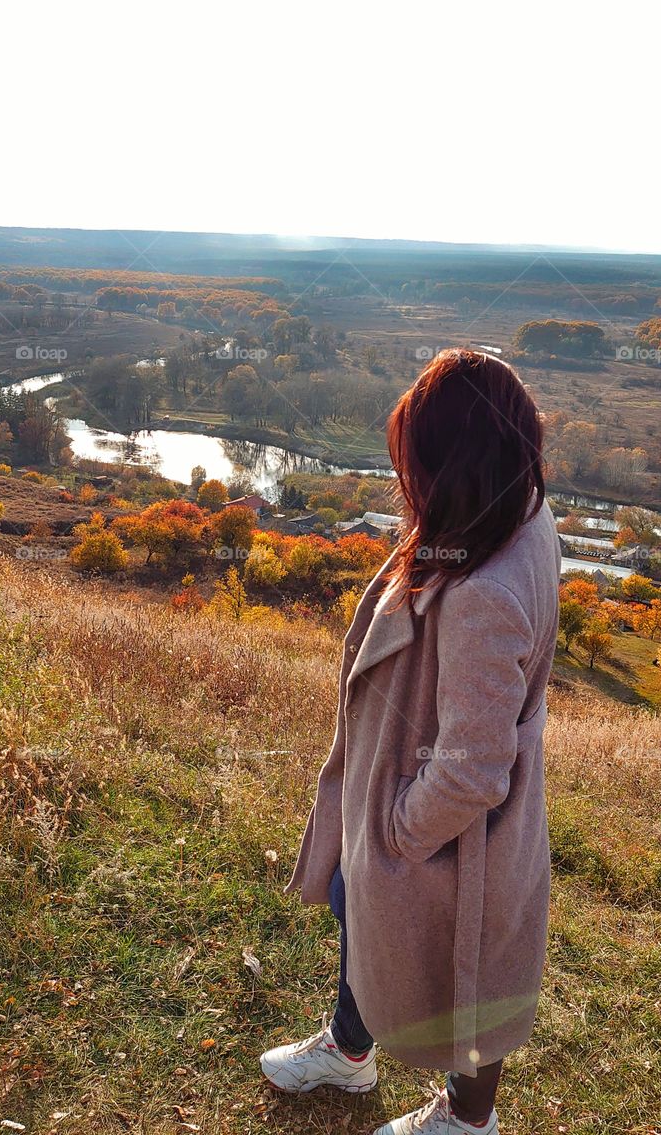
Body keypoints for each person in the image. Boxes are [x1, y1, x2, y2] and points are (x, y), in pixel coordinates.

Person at [260, 349, 561, 1134]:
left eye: (414, 454)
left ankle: (466, 1121)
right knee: (358, 905)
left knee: (471, 967)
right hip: (421, 807)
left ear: (447, 459)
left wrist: (397, 827)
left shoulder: (482, 592)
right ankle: (350, 1052)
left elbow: (471, 769)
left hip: (449, 835)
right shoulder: (516, 513)